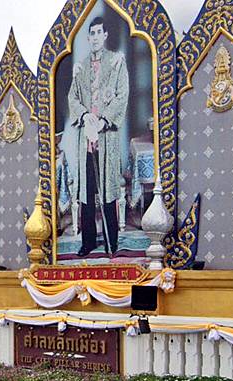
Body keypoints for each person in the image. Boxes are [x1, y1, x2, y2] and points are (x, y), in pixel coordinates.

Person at [68, 16, 129, 256]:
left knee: (107, 189)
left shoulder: (116, 62)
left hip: (106, 135)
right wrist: (83, 116)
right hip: (86, 137)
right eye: (90, 33)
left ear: (105, 35)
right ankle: (88, 241)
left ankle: (111, 241)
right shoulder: (81, 67)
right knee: (87, 190)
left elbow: (122, 94)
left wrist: (104, 119)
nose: (94, 37)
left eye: (98, 33)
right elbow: (73, 97)